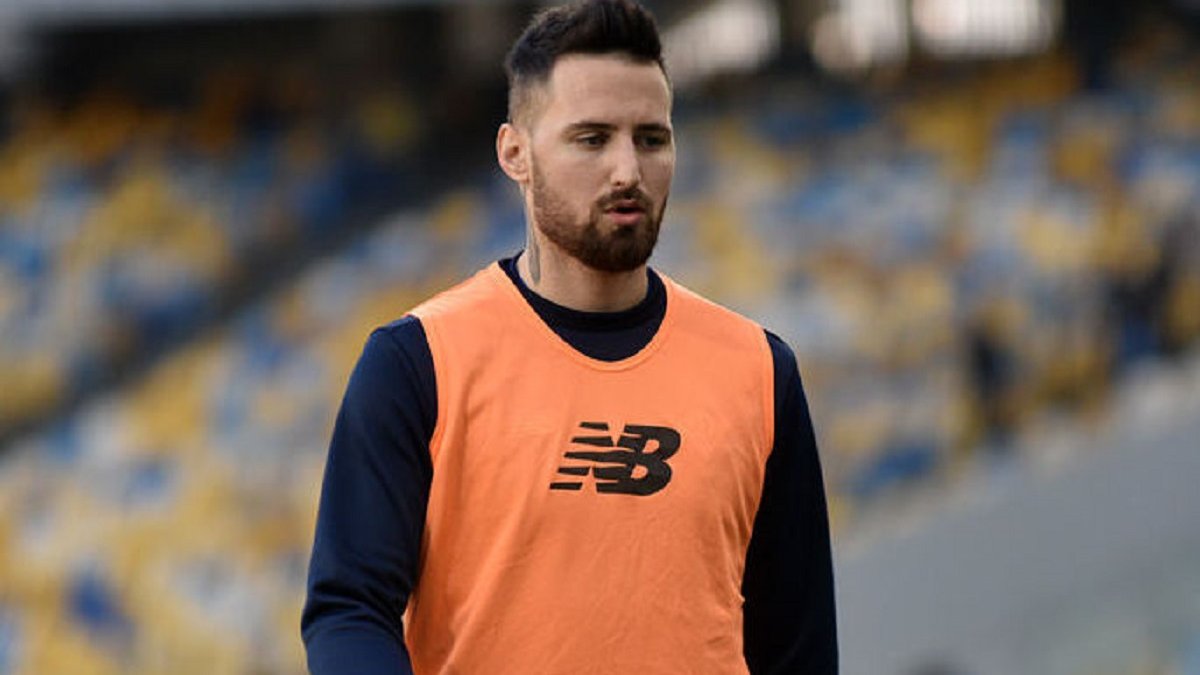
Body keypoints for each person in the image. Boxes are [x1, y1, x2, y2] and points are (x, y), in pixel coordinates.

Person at [300, 0, 838, 672]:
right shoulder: (418, 362)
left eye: (651, 139)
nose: (628, 170)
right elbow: (349, 608)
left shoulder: (759, 371)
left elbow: (798, 647)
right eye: (592, 138)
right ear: (515, 153)